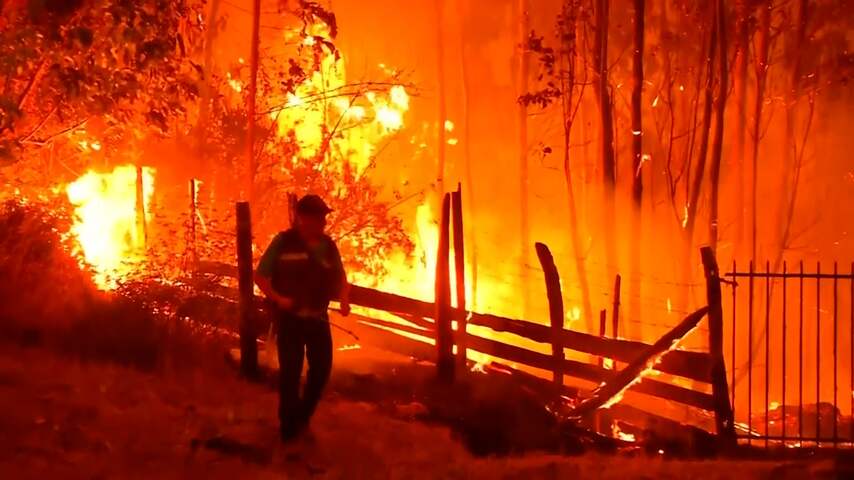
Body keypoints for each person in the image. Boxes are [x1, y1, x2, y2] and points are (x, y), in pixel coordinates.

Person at [255, 194, 351, 442]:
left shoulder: (328, 246)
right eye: (318, 217)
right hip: (290, 320)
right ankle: (288, 430)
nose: (323, 222)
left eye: (324, 217)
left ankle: (302, 417)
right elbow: (261, 277)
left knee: (321, 370)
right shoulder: (283, 243)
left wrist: (343, 298)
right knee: (290, 372)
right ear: (302, 218)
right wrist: (279, 299)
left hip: (318, 319)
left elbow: (341, 277)